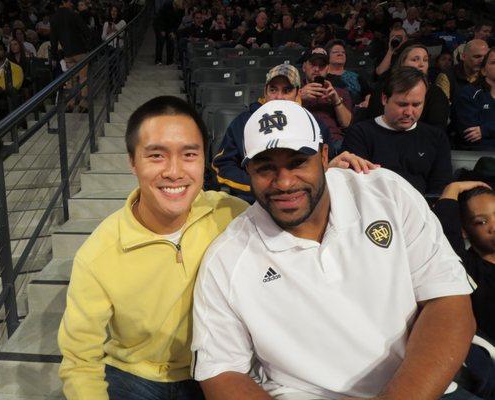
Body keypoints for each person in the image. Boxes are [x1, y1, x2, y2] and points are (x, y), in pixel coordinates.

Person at [191, 99, 477, 400]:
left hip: (417, 388)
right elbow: (221, 371)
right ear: (248, 170)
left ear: (324, 155)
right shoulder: (227, 257)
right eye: (265, 168)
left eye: (298, 161)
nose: (285, 182)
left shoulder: (386, 194)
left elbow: (449, 301)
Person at [58, 96, 249, 399]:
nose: (174, 172)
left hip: (219, 368)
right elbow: (80, 360)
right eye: (157, 156)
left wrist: (331, 177)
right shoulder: (98, 253)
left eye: (189, 154)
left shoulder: (233, 215)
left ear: (203, 160)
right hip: (135, 375)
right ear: (132, 162)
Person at [212, 64, 329, 203]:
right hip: (254, 201)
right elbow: (223, 165)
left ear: (297, 93)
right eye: (273, 89)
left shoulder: (312, 123)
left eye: (287, 90)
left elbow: (327, 164)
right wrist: (258, 186)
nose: (279, 97)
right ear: (265, 92)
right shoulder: (244, 121)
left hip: (303, 200)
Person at [344, 67, 452, 195]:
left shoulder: (436, 138)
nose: (409, 112)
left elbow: (440, 189)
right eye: (402, 104)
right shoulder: (359, 134)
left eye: (416, 105)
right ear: (384, 99)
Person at [434, 180, 495, 345]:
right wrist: (453, 188)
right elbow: (445, 231)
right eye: (481, 222)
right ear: (464, 231)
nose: (494, 226)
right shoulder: (467, 267)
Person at [366, 44, 450, 131]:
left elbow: (437, 130)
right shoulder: (383, 88)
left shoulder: (436, 94)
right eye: (415, 60)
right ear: (402, 63)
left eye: (425, 60)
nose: (422, 64)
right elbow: (374, 123)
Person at [299, 49, 353, 155]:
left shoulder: (339, 92)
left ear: (327, 69)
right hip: (304, 138)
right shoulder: (294, 91)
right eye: (313, 64)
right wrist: (299, 97)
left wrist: (336, 101)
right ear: (304, 67)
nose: (317, 69)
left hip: (334, 140)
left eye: (322, 65)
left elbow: (346, 124)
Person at [50, 0, 91, 112]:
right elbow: (85, 30)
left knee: (70, 79)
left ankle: (70, 103)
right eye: (70, 2)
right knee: (83, 78)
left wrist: (54, 56)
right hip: (80, 50)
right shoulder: (73, 14)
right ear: (64, 2)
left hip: (67, 53)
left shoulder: (54, 18)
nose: (72, 4)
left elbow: (53, 40)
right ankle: (83, 104)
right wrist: (90, 44)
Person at [453, 48, 495, 150]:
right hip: (479, 156)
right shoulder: (469, 94)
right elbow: (471, 136)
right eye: (494, 62)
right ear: (484, 71)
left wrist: (485, 130)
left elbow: (482, 133)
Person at [324, 39, 372, 106]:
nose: (340, 54)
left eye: (343, 52)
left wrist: (367, 101)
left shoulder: (356, 76)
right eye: (335, 52)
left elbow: (368, 93)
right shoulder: (323, 77)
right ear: (327, 56)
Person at [153, 0, 183, 65]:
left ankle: (170, 61)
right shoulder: (167, 5)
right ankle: (158, 60)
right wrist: (162, 30)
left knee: (170, 41)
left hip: (171, 26)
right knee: (160, 41)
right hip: (160, 24)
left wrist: (173, 31)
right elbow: (160, 18)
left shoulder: (181, 9)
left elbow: (178, 22)